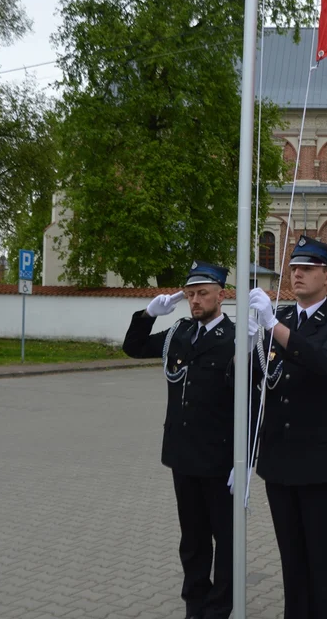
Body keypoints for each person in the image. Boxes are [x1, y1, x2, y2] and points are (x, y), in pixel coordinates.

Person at [246, 235, 327, 619]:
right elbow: (252, 383)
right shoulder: (277, 318)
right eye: (294, 268)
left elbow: (326, 363)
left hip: (322, 465)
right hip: (280, 462)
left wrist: (273, 327)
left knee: (324, 564)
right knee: (292, 562)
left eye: (307, 269)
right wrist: (248, 339)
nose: (297, 274)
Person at [122, 262, 237, 619]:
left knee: (226, 539)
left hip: (220, 457)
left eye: (203, 293)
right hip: (183, 453)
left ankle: (220, 607)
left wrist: (243, 459)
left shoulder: (237, 337)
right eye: (190, 294)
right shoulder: (179, 333)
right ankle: (195, 602)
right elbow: (135, 347)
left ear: (222, 294)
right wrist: (147, 315)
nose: (195, 300)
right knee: (193, 538)